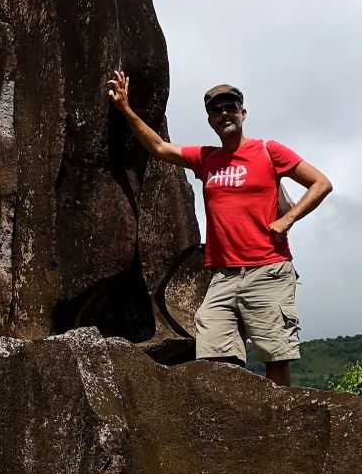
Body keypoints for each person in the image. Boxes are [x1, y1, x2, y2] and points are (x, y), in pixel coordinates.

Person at [106, 71, 332, 386]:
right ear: (210, 120)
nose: (224, 113)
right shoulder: (206, 158)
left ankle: (279, 423)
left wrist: (288, 218)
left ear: (243, 112)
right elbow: (158, 147)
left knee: (275, 353)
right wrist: (126, 109)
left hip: (268, 267)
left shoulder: (269, 151)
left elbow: (321, 183)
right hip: (223, 275)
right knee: (213, 348)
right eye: (216, 109)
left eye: (230, 106)